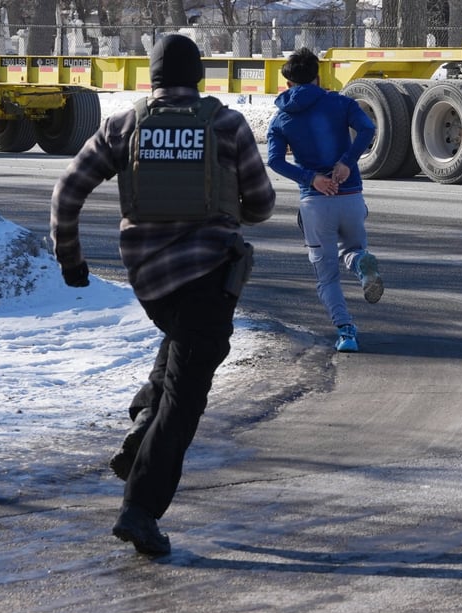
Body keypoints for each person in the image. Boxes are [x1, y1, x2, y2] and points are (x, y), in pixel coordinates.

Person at [49, 34, 276, 556]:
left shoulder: (123, 125)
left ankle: (145, 420)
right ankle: (140, 509)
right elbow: (261, 205)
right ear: (199, 76)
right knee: (185, 399)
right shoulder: (225, 124)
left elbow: (67, 191)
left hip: (150, 283)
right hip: (208, 277)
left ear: (151, 77)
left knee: (178, 351)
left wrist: (72, 261)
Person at [266, 47, 384, 353]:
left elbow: (275, 162)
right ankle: (362, 263)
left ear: (288, 84)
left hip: (315, 203)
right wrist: (346, 161)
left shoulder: (281, 119)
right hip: (351, 196)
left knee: (326, 275)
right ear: (318, 76)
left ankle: (346, 332)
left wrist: (312, 178)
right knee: (354, 249)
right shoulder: (341, 103)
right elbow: (368, 128)